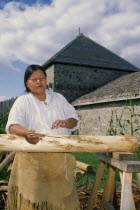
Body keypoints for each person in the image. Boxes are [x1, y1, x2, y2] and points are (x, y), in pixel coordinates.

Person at [6, 64, 80, 210]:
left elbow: (74, 120)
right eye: (34, 79)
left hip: (60, 159)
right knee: (34, 199)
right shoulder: (23, 101)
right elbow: (13, 126)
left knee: (60, 197)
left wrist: (65, 122)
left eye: (42, 78)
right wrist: (26, 133)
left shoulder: (58, 98)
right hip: (32, 159)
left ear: (46, 80)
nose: (39, 82)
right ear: (27, 83)